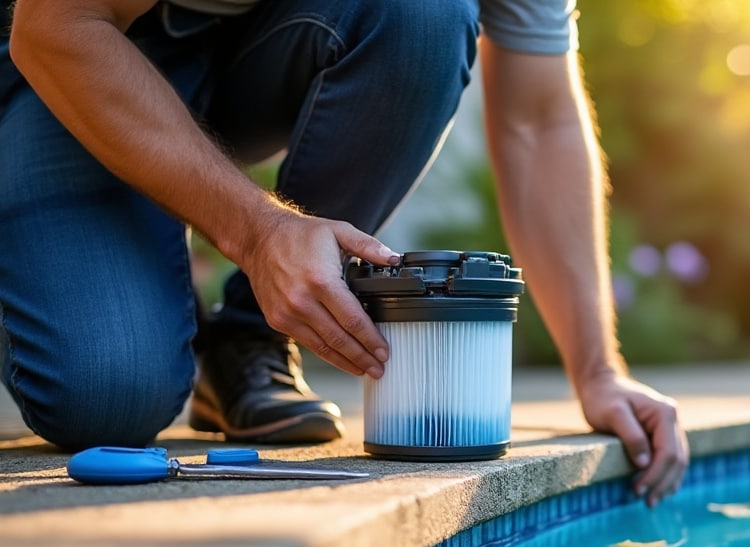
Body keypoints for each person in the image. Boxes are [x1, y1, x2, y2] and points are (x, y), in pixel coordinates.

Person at [1, 0, 688, 505]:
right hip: (60, 54)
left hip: (254, 45)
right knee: (108, 400)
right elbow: (56, 27)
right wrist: (257, 231)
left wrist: (599, 370)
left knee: (424, 14)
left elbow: (538, 122)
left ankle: (249, 346)